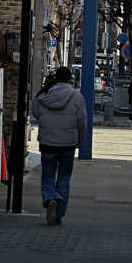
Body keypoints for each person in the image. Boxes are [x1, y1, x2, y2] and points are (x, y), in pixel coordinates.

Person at [31, 65, 87, 226]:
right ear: (70, 78)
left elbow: (35, 113)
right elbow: (82, 122)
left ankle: (49, 197)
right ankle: (59, 214)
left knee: (48, 175)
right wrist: (80, 141)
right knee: (64, 178)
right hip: (68, 144)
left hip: (47, 142)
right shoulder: (77, 97)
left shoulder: (44, 94)